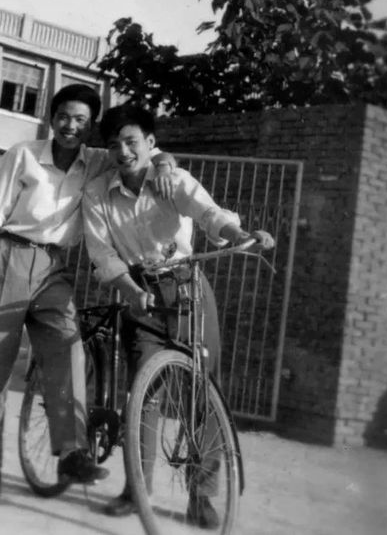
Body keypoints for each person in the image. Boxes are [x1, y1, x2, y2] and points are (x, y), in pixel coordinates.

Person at [0, 85, 176, 500]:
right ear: (52, 118)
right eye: (64, 116)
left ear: (90, 126)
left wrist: (167, 163)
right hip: (9, 258)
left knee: (68, 348)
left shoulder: (98, 160)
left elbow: (143, 153)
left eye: (81, 120)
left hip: (55, 266)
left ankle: (71, 453)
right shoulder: (23, 155)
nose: (70, 126)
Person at [82, 104, 274, 528]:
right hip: (138, 293)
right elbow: (102, 253)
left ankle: (201, 496)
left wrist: (240, 236)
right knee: (142, 394)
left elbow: (209, 214)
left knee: (203, 390)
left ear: (150, 143)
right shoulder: (97, 193)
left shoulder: (173, 179)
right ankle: (136, 489)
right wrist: (130, 290)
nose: (123, 152)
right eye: (114, 145)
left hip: (186, 288)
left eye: (131, 142)